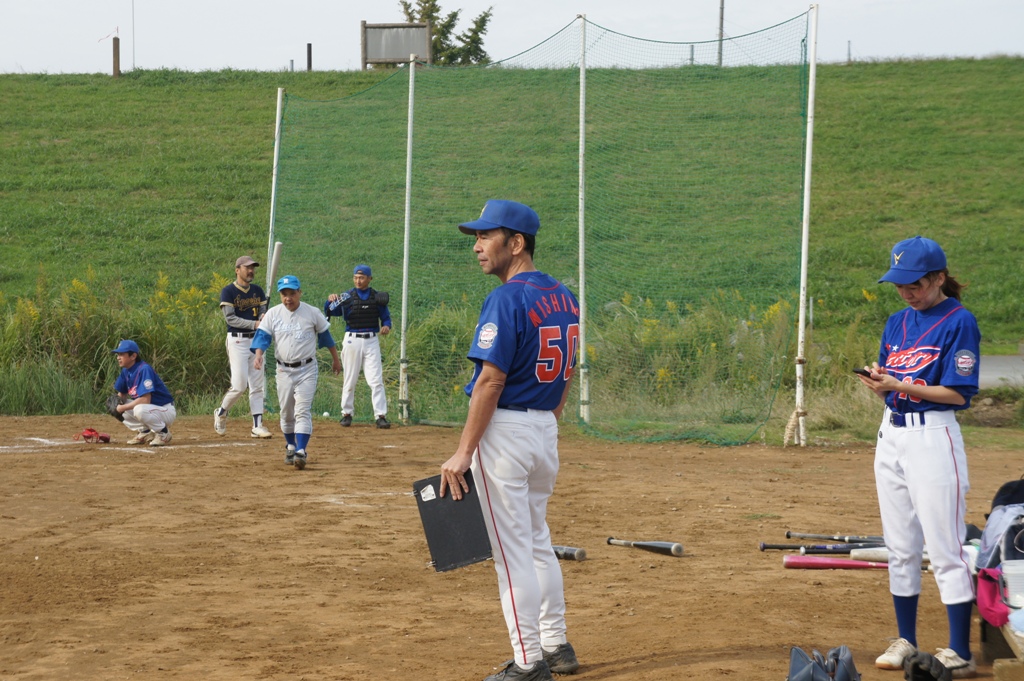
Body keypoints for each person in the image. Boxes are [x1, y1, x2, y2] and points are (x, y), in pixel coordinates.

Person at [439, 200, 581, 681]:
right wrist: (548, 414)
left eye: (486, 236)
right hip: (544, 429)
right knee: (537, 541)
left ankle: (527, 664)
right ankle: (556, 645)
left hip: (506, 433)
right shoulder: (565, 295)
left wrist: (462, 453)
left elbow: (490, 382)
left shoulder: (506, 298)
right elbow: (569, 369)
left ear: (515, 243)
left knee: (511, 553)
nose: (477, 246)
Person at [856, 236, 981, 678]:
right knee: (900, 546)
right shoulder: (896, 322)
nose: (907, 292)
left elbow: (957, 394)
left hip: (933, 438)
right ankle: (905, 639)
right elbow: (891, 380)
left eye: (916, 284)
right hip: (892, 435)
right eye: (900, 284)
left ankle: (957, 650)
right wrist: (880, 384)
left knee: (945, 547)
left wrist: (898, 386)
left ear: (939, 278)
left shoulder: (958, 321)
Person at [251, 275, 341, 470]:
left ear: (300, 293)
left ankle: (301, 450)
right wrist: (258, 355)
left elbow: (326, 337)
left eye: (292, 293)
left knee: (302, 410)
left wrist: (336, 359)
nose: (288, 298)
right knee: (286, 412)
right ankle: (290, 446)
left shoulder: (312, 312)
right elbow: (262, 338)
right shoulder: (274, 314)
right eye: (284, 294)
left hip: (307, 369)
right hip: (283, 370)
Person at [324, 264, 392, 429]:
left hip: (371, 339)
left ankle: (380, 415)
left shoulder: (377, 297)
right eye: (356, 277)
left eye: (362, 277)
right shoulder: (347, 296)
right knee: (350, 378)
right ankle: (346, 413)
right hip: (352, 339)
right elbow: (330, 311)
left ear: (369, 279)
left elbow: (386, 318)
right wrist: (330, 300)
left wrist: (386, 326)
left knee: (375, 380)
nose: (358, 280)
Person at [214, 255, 271, 438]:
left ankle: (257, 425)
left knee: (257, 385)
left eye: (253, 267)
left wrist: (263, 317)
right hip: (237, 340)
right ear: (237, 269)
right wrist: (254, 324)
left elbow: (263, 310)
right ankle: (221, 412)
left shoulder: (258, 291)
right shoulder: (229, 291)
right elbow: (230, 318)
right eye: (247, 267)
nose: (251, 270)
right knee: (239, 386)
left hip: (256, 341)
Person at [111, 339, 177, 446]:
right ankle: (145, 432)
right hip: (149, 409)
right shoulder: (125, 371)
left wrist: (121, 408)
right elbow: (121, 395)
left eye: (122, 354)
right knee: (116, 405)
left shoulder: (144, 369)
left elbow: (145, 400)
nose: (118, 357)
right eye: (118, 354)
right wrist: (117, 406)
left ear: (133, 356)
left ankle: (163, 433)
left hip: (164, 410)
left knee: (139, 409)